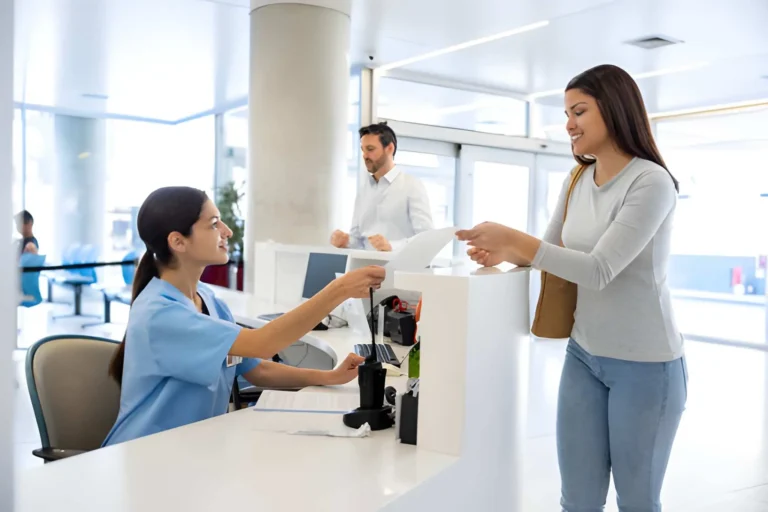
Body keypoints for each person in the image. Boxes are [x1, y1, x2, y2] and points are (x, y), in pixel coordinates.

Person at [457, 64, 687, 512]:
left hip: (646, 366)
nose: (568, 124)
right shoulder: (577, 178)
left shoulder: (651, 183)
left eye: (579, 111)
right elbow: (550, 250)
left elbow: (600, 269)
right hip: (584, 355)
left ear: (615, 109)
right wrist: (507, 252)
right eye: (566, 112)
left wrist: (518, 241)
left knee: (637, 501)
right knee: (578, 500)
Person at [103, 186, 385, 447]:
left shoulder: (208, 300)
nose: (226, 231)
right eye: (213, 224)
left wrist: (330, 377)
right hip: (146, 453)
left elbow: (256, 369)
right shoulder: (160, 314)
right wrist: (340, 289)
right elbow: (263, 343)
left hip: (193, 448)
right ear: (178, 241)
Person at [330, 122, 433, 252]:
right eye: (363, 150)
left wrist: (391, 246)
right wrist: (346, 241)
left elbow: (426, 238)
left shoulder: (412, 186)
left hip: (398, 270)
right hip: (365, 269)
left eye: (370, 149)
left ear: (390, 148)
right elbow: (359, 241)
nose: (365, 156)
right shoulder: (364, 191)